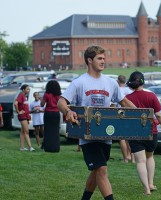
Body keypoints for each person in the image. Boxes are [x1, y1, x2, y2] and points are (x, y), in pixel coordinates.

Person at [57, 45, 136, 200]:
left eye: (104, 58)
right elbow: (61, 101)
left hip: (106, 135)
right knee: (102, 170)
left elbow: (124, 102)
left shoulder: (111, 83)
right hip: (88, 138)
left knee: (96, 171)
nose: (103, 61)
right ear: (89, 60)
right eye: (99, 58)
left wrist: (143, 115)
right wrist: (68, 111)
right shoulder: (79, 82)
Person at [126, 71, 161, 196]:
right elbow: (159, 115)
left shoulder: (127, 99)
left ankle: (147, 189)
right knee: (150, 157)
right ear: (143, 81)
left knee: (140, 161)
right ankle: (150, 183)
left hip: (135, 133)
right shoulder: (151, 96)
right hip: (151, 131)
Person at [116, 75, 135, 163]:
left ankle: (125, 158)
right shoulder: (129, 90)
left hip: (120, 113)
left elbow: (113, 104)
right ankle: (132, 158)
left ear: (118, 81)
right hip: (130, 113)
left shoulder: (117, 90)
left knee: (122, 137)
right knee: (130, 136)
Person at [41, 80, 61, 153]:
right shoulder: (59, 95)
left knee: (48, 130)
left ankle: (48, 147)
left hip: (48, 113)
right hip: (56, 113)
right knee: (55, 131)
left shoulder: (46, 94)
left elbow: (42, 104)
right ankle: (56, 147)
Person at [14, 84, 35, 151]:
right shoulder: (21, 95)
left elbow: (26, 107)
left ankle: (22, 148)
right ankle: (30, 147)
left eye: (29, 89)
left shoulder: (25, 96)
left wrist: (28, 117)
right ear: (23, 90)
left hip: (25, 116)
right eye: (27, 89)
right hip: (22, 116)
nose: (28, 90)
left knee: (22, 132)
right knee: (26, 131)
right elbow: (15, 103)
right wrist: (18, 111)